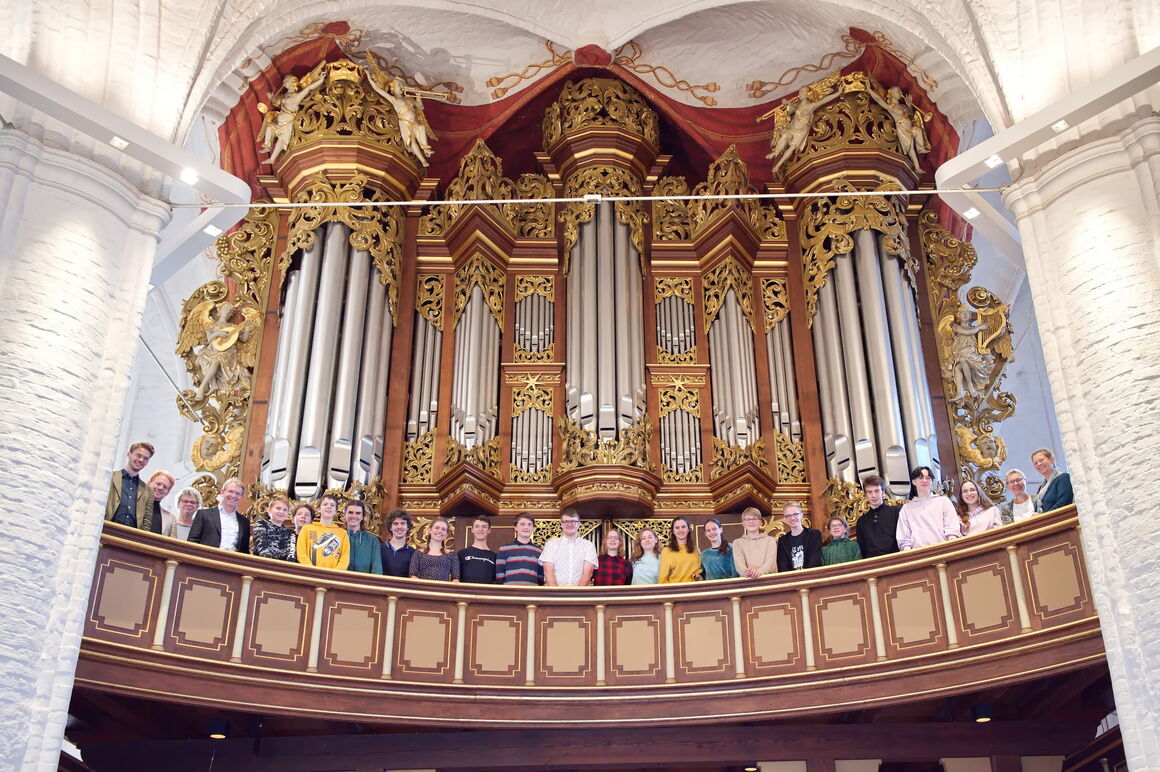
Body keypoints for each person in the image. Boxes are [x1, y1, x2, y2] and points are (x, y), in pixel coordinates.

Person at [766, 85, 841, 173]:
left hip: (801, 131)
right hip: (792, 127)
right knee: (784, 136)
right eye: (800, 91)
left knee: (792, 147)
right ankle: (776, 152)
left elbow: (824, 100)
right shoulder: (798, 105)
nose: (800, 94)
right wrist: (787, 104)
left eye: (802, 92)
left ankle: (778, 166)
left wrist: (838, 93)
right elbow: (791, 111)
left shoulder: (811, 106)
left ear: (807, 94)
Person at [896, 466, 960, 550]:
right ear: (914, 481)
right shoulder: (906, 508)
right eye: (920, 478)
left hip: (943, 549)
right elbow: (904, 536)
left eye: (928, 478)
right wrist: (907, 550)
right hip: (919, 553)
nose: (924, 481)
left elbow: (951, 526)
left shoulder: (943, 501)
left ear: (932, 481)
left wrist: (952, 544)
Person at [189, 477, 251, 553]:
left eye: (238, 493)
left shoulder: (244, 522)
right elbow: (192, 542)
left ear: (241, 497)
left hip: (232, 563)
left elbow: (244, 551)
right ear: (222, 492)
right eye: (230, 491)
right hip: (206, 560)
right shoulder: (204, 515)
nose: (234, 495)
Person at [540, 509, 598, 587]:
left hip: (580, 595)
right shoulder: (551, 545)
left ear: (579, 524)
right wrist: (556, 594)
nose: (569, 524)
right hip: (555, 595)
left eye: (573, 521)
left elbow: (588, 573)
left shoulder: (589, 546)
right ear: (561, 524)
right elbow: (548, 571)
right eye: (566, 522)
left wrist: (577, 594)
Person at [104, 441, 155, 530]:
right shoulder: (110, 477)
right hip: (107, 530)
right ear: (129, 454)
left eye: (145, 458)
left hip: (131, 538)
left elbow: (146, 522)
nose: (141, 460)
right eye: (138, 455)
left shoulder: (148, 491)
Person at [296, 494, 349, 569]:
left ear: (336, 511)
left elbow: (344, 559)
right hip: (309, 574)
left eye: (332, 505)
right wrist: (311, 569)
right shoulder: (307, 529)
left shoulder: (343, 533)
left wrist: (334, 574)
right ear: (319, 509)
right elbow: (301, 553)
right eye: (325, 504)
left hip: (332, 577)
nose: (329, 507)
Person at [856, 474, 900, 558]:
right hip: (872, 564)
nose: (873, 496)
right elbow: (863, 549)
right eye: (869, 492)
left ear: (883, 492)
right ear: (865, 495)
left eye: (877, 491)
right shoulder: (861, 521)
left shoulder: (895, 512)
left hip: (895, 559)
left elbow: (901, 538)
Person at [495, 512, 543, 586]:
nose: (526, 527)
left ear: (533, 528)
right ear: (516, 527)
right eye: (522, 524)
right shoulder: (504, 549)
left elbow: (540, 577)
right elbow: (500, 575)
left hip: (532, 592)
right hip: (509, 593)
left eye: (529, 524)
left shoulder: (539, 551)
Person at [408, 516, 459, 581]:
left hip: (443, 589)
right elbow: (412, 576)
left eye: (443, 529)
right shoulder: (418, 553)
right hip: (423, 589)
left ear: (446, 534)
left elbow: (455, 579)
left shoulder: (452, 554)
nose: (440, 531)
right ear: (430, 530)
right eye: (437, 528)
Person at [776, 502, 823, 571]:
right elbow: (782, 565)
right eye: (788, 516)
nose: (792, 518)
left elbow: (815, 559)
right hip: (792, 579)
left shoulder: (814, 534)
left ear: (801, 515)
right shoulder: (782, 540)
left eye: (795, 514)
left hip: (811, 576)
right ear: (785, 519)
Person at [733, 507, 777, 579]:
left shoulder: (770, 541)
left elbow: (770, 562)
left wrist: (759, 573)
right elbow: (739, 563)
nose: (751, 522)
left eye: (754, 519)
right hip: (747, 582)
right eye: (748, 519)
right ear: (743, 523)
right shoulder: (737, 543)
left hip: (768, 581)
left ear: (760, 522)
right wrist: (746, 572)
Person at [251, 495, 295, 561]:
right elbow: (263, 550)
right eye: (278, 508)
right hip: (263, 565)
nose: (281, 512)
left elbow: (291, 555)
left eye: (285, 510)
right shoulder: (261, 524)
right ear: (269, 510)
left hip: (284, 568)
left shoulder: (290, 532)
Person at [344, 500, 383, 574]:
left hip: (365, 583)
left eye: (358, 513)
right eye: (350, 512)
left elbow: (377, 568)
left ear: (362, 516)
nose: (354, 516)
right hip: (341, 582)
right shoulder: (338, 537)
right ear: (345, 515)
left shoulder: (373, 540)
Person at [659, 516, 701, 583]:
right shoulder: (666, 551)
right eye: (677, 528)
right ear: (673, 531)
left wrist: (698, 575)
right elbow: (662, 579)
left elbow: (699, 570)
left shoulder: (696, 549)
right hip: (676, 590)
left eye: (683, 527)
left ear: (688, 529)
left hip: (695, 589)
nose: (680, 530)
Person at [458, 515, 497, 584]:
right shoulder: (461, 554)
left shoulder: (495, 557)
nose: (480, 529)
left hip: (486, 594)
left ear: (489, 530)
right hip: (465, 593)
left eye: (484, 527)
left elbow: (495, 581)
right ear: (472, 530)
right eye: (477, 526)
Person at [380, 509, 416, 578]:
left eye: (402, 523)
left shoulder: (413, 553)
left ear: (407, 527)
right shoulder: (380, 549)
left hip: (402, 588)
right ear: (390, 527)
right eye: (395, 523)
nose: (399, 527)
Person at [147, 470, 175, 536]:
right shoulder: (133, 505)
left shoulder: (170, 518)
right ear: (148, 483)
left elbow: (172, 543)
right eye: (158, 484)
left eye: (165, 487)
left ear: (168, 492)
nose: (161, 488)